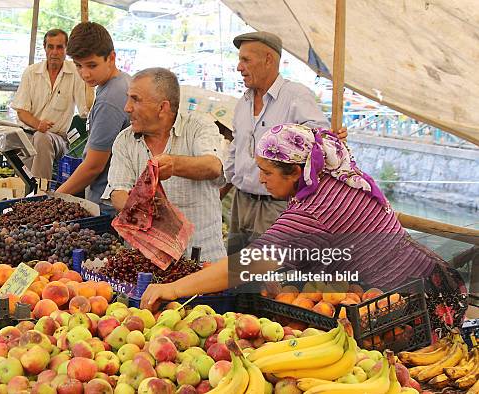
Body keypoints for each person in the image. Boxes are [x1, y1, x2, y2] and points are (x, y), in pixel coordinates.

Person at [141, 123, 467, 336]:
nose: (261, 179)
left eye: (267, 172)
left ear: (296, 171)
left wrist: (173, 289)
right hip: (422, 282)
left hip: (408, 308)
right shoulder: (333, 178)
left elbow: (247, 264)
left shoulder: (313, 210)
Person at [220, 31, 335, 256]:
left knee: (268, 279)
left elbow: (322, 145)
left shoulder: (296, 97)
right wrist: (222, 190)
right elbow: (236, 149)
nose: (239, 67)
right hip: (240, 202)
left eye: (245, 60)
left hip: (277, 206)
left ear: (268, 60)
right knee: (235, 274)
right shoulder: (243, 103)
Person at [103, 67, 227, 261]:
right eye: (128, 98)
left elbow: (212, 166)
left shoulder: (198, 127)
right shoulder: (125, 140)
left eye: (135, 99)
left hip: (201, 258)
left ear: (162, 107)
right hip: (146, 259)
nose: (127, 107)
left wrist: (174, 164)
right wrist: (144, 209)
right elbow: (117, 192)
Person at [56, 22, 130, 217]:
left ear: (111, 58)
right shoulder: (122, 83)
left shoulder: (110, 98)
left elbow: (94, 165)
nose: (85, 73)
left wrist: (56, 197)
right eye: (79, 66)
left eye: (92, 65)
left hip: (107, 203)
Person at [11, 29, 88, 180]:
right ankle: (31, 189)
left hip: (57, 140)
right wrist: (38, 124)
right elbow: (21, 111)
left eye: (59, 47)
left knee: (42, 138)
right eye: (50, 47)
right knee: (28, 148)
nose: (54, 52)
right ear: (45, 48)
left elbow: (85, 109)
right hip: (28, 136)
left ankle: (40, 193)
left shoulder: (76, 72)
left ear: (66, 49)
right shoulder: (31, 72)